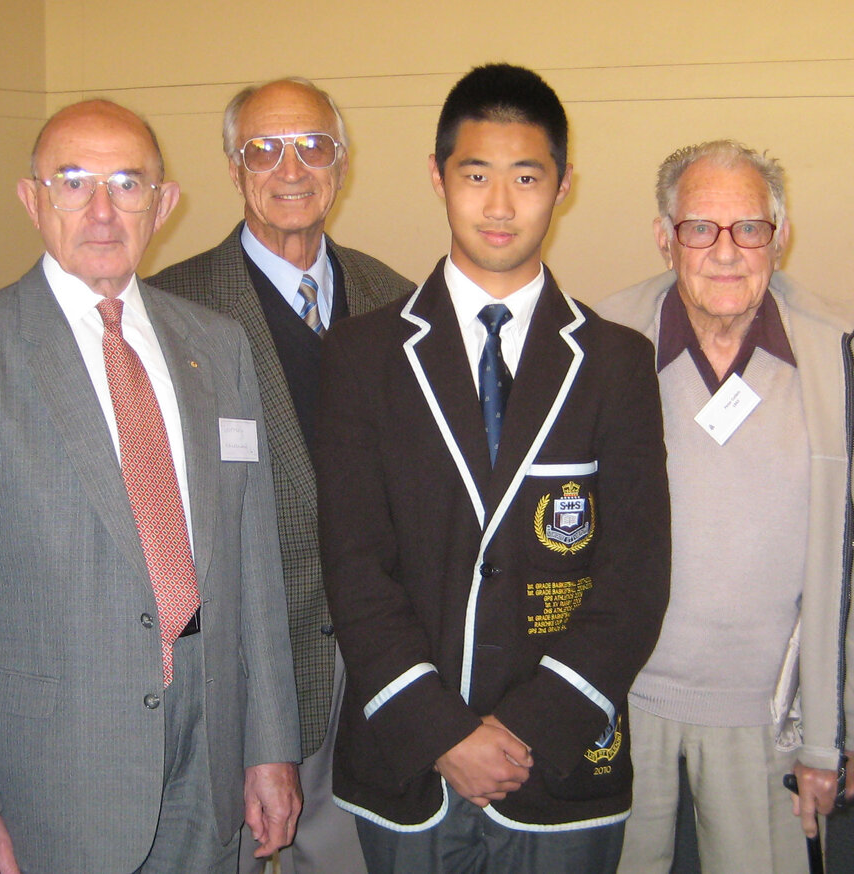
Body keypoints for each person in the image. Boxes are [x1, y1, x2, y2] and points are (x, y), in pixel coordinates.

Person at [0, 99, 302, 874]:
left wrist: (271, 747)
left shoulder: (216, 347)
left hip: (209, 752)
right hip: (55, 774)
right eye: (74, 182)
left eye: (128, 183)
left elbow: (255, 564)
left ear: (166, 201)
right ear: (32, 199)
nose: (104, 211)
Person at [314, 63, 671, 874]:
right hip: (408, 764)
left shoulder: (615, 361)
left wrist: (528, 730)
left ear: (564, 185)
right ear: (438, 178)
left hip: (561, 765)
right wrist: (443, 733)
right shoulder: (363, 356)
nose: (501, 205)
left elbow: (635, 578)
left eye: (526, 177)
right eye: (476, 176)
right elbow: (356, 568)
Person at [597, 139, 854, 872]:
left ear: (780, 238)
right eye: (701, 228)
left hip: (773, 714)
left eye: (748, 228)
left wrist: (852, 724)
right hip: (621, 704)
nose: (726, 251)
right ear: (664, 238)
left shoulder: (846, 359)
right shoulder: (595, 345)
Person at [150, 77, 414, 874]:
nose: (291, 168)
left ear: (342, 162)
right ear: (233, 168)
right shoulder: (170, 307)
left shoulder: (394, 300)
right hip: (242, 668)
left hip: (372, 664)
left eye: (313, 146)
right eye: (263, 149)